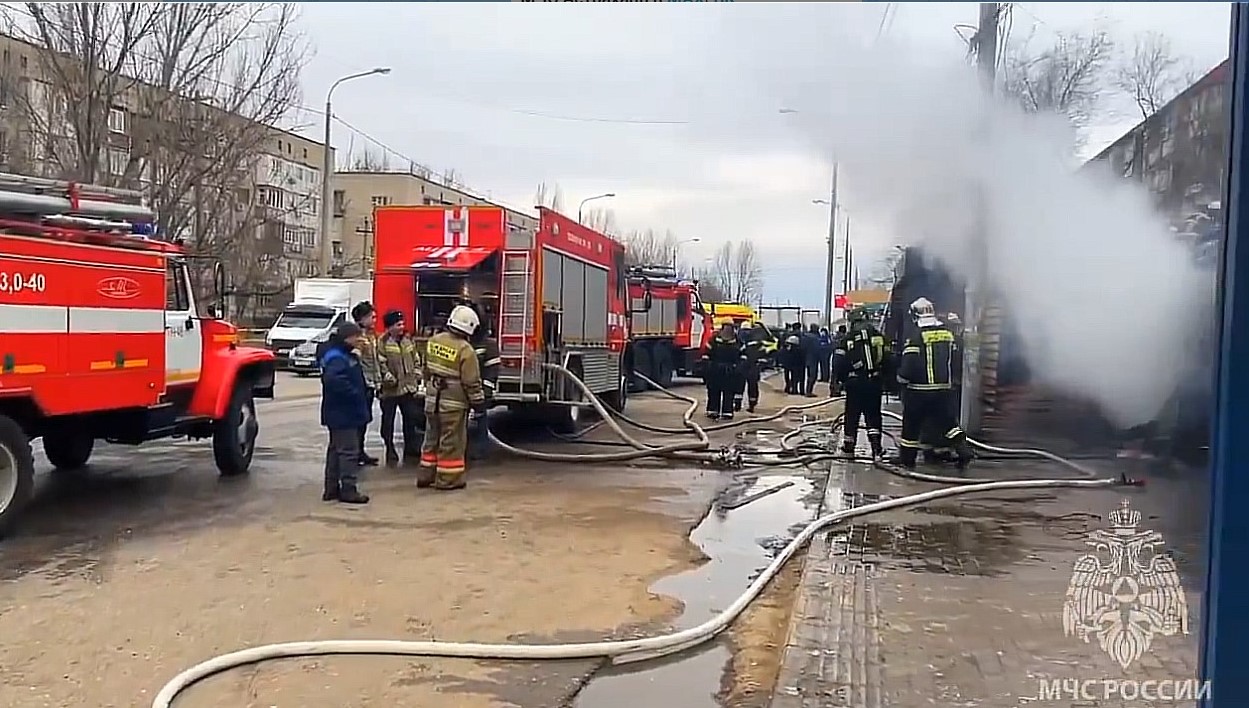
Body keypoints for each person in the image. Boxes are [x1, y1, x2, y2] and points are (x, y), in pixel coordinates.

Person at [894, 297, 974, 470]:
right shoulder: (948, 334)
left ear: (915, 315)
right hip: (944, 389)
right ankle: (964, 450)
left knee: (911, 426)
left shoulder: (916, 336)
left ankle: (907, 460)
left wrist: (901, 378)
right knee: (948, 423)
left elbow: (909, 364)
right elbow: (957, 359)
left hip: (919, 391)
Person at [418, 304, 487, 490]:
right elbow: (471, 382)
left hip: (432, 401)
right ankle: (448, 479)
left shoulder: (434, 341)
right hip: (453, 405)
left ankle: (425, 475)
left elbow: (426, 370)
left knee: (431, 439)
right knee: (451, 443)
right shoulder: (465, 350)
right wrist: (478, 403)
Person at [319, 322, 371, 504]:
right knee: (349, 452)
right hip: (343, 412)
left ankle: (331, 489)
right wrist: (355, 393)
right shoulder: (338, 357)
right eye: (357, 336)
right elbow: (334, 380)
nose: (360, 339)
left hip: (339, 412)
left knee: (336, 451)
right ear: (348, 337)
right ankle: (348, 490)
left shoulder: (343, 354)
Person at [833, 307, 891, 461]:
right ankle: (876, 449)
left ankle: (849, 448)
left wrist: (840, 381)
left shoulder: (847, 338)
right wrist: (885, 378)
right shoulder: (879, 336)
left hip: (854, 383)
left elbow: (838, 362)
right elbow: (889, 359)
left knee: (852, 415)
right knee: (873, 416)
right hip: (874, 383)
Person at [377, 309, 423, 467]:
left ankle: (410, 447)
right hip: (390, 390)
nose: (402, 327)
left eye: (402, 324)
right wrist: (388, 378)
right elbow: (380, 363)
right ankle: (390, 448)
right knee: (388, 421)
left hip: (408, 388)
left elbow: (416, 359)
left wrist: (417, 374)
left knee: (410, 418)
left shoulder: (408, 341)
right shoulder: (382, 343)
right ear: (389, 327)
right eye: (398, 324)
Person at [351, 301, 382, 467]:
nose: (374, 320)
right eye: (372, 317)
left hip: (370, 383)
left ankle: (360, 450)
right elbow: (355, 360)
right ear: (362, 318)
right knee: (358, 420)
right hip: (361, 384)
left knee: (364, 419)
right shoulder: (358, 338)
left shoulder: (371, 335)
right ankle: (355, 452)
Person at [468, 306, 501, 461]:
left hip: (479, 389)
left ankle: (482, 448)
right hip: (463, 389)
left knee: (480, 418)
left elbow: (492, 370)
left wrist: (486, 390)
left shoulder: (488, 345)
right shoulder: (463, 342)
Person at [702, 322, 744, 420]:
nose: (727, 330)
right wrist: (708, 366)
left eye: (729, 328)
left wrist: (737, 368)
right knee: (713, 391)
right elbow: (707, 353)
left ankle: (727, 411)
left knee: (728, 392)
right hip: (715, 370)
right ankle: (713, 411)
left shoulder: (738, 342)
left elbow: (742, 356)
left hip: (730, 371)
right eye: (726, 327)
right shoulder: (714, 340)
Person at [740, 323, 767, 413]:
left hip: (745, 365)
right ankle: (751, 404)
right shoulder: (758, 340)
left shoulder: (740, 340)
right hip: (752, 365)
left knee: (740, 384)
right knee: (752, 385)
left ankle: (738, 404)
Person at [781, 323, 804, 394]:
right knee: (797, 374)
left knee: (787, 373)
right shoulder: (802, 335)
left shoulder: (786, 335)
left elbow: (782, 345)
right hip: (798, 358)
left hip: (787, 358)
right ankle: (797, 389)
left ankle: (788, 386)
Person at [802, 323, 821, 397]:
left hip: (806, 357)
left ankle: (805, 390)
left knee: (807, 375)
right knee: (813, 376)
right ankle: (809, 391)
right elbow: (817, 348)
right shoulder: (815, 338)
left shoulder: (805, 336)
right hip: (813, 358)